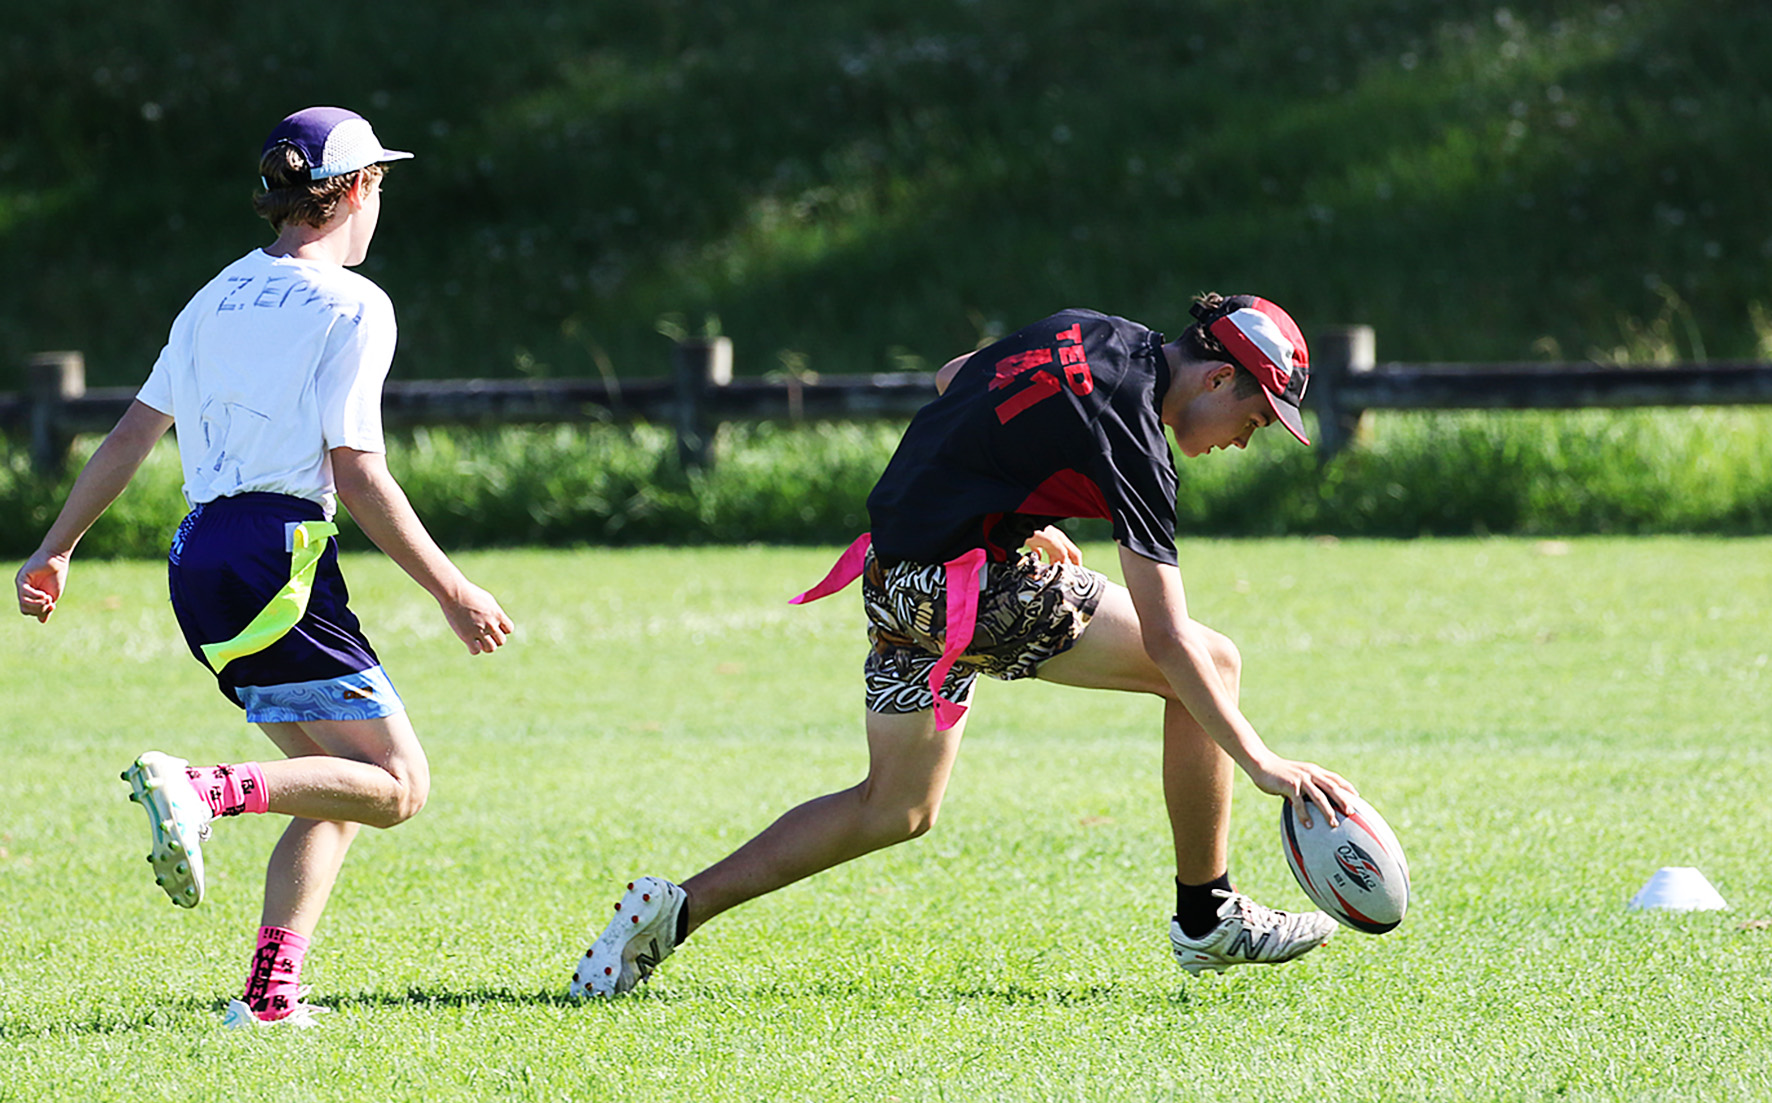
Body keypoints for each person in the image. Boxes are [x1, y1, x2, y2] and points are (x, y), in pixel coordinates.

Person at [570, 294, 1358, 998]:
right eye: (1256, 421)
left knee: (896, 808)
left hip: (892, 577)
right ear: (1218, 378)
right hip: (962, 592)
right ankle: (1207, 913)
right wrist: (1262, 761)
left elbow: (958, 377)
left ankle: (675, 910)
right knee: (1209, 663)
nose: (1244, 442)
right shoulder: (1136, 441)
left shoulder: (1092, 329)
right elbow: (1169, 636)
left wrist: (1011, 503)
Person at [13, 106, 514, 1029]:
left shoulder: (212, 298)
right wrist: (453, 588)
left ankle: (270, 997)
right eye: (379, 186)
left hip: (197, 559)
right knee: (398, 785)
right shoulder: (353, 304)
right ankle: (205, 788)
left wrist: (55, 547)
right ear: (357, 190)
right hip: (274, 557)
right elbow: (358, 472)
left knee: (333, 782)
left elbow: (130, 435)